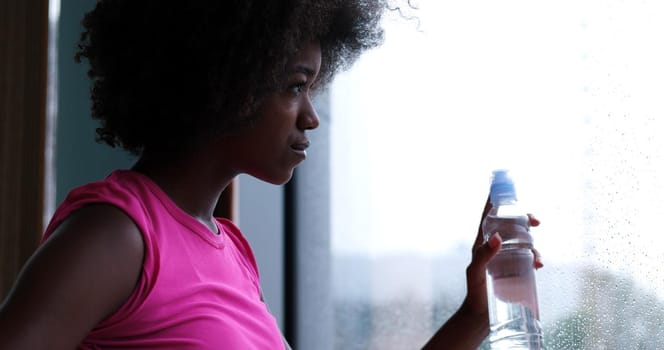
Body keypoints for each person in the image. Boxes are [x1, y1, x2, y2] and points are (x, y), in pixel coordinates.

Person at [0, 0, 542, 349]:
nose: (311, 115)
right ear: (227, 78)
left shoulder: (230, 249)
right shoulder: (117, 235)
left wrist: (475, 314)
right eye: (294, 85)